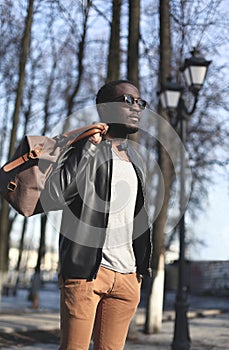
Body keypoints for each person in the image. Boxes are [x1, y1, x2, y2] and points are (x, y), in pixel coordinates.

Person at [46, 80, 152, 350]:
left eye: (140, 102)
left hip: (127, 278)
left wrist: (139, 273)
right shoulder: (85, 149)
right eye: (128, 101)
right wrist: (88, 147)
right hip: (88, 274)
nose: (136, 107)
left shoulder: (135, 161)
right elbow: (57, 194)